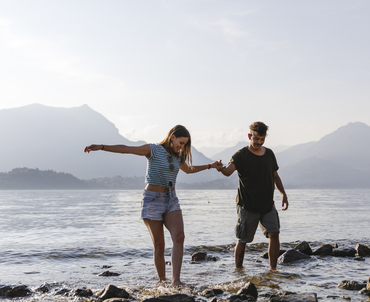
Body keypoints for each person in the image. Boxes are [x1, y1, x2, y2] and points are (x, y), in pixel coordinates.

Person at [84, 125, 222, 286]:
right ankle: (162, 281)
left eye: (185, 144)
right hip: (152, 201)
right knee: (159, 244)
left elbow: (188, 170)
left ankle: (176, 280)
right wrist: (101, 147)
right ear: (172, 136)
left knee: (179, 237)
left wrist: (210, 166)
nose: (182, 146)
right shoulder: (153, 150)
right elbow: (126, 149)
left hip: (171, 199)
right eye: (181, 142)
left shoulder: (178, 156)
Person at [217, 121, 289, 270]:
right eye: (256, 138)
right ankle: (238, 271)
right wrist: (220, 168)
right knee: (243, 239)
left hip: (268, 205)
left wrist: (283, 194)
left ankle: (273, 270)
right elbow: (228, 171)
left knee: (274, 234)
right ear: (250, 136)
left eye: (262, 139)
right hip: (247, 205)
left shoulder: (269, 154)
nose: (259, 142)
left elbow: (275, 176)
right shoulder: (240, 155)